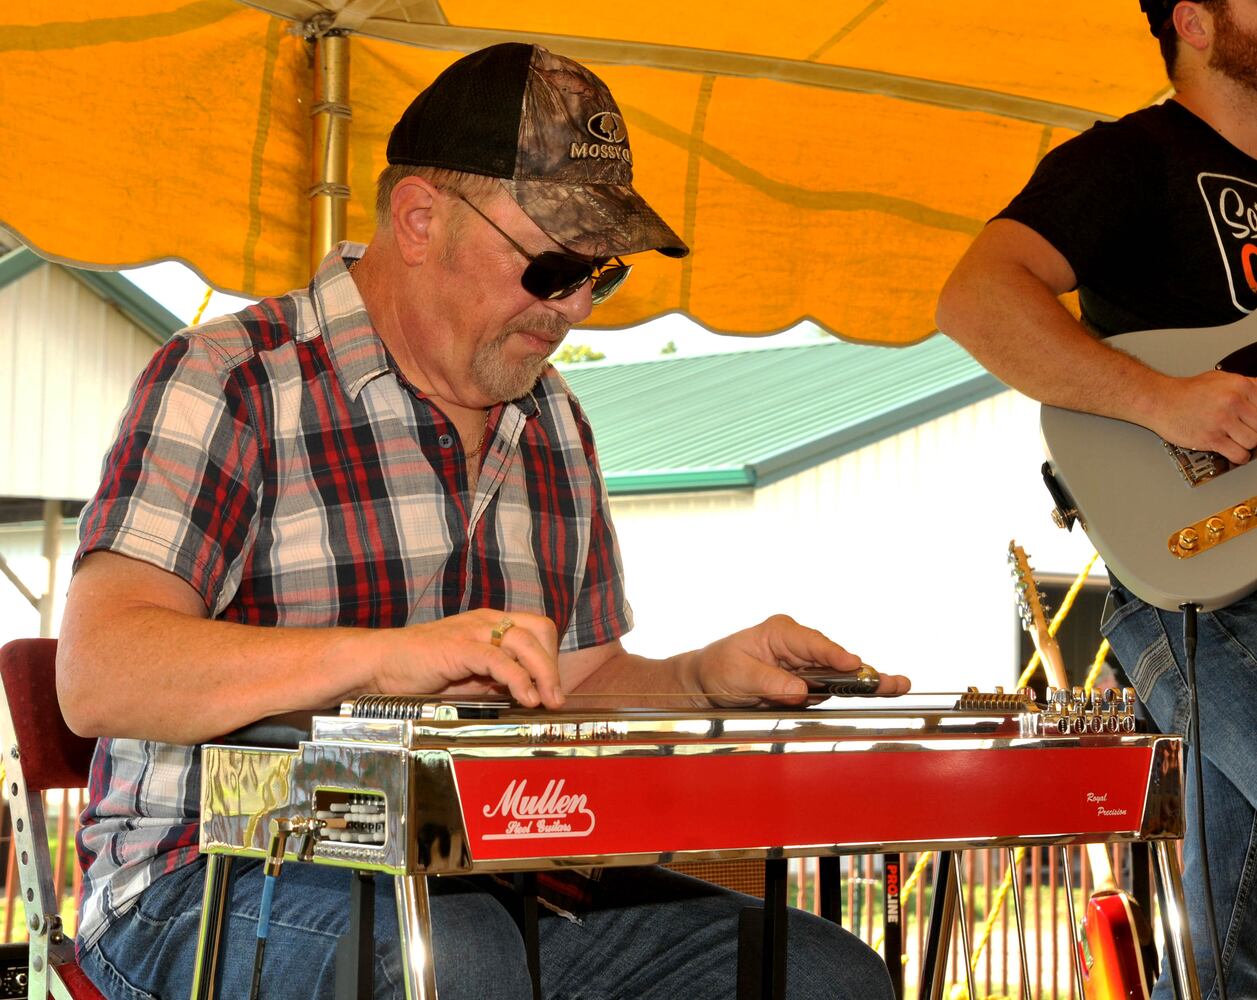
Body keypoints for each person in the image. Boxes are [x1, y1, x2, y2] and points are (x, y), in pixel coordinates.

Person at [57, 43, 908, 1000]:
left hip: (487, 881)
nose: (576, 307)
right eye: (551, 266)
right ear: (419, 219)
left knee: (824, 976)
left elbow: (576, 683)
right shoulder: (232, 380)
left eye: (601, 273)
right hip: (210, 881)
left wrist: (699, 677)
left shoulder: (554, 421)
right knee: (450, 957)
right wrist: (384, 657)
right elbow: (100, 673)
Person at [936, 1, 1257, 995]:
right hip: (1193, 584)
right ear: (1194, 23)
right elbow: (977, 297)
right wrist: (1165, 401)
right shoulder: (1130, 159)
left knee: (1221, 954)